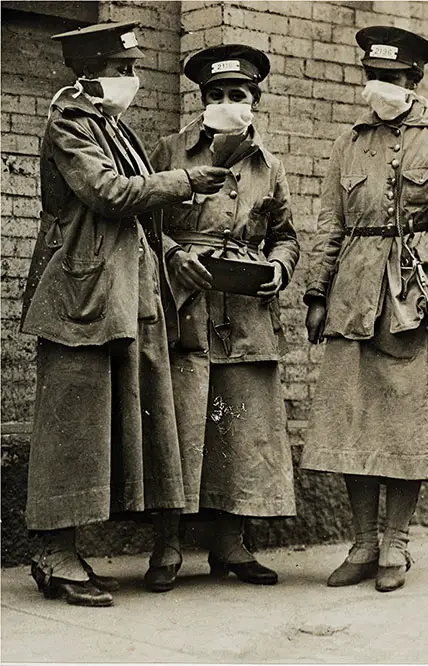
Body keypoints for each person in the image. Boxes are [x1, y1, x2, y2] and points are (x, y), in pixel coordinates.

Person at [20, 21, 229, 606]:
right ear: (89, 71)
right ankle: (54, 554)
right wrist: (182, 181)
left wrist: (171, 240)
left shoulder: (111, 126)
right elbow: (108, 194)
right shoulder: (70, 122)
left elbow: (136, 218)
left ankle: (68, 552)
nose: (131, 82)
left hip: (119, 296)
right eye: (122, 70)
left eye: (132, 70)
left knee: (99, 428)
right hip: (79, 298)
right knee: (71, 426)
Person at [302, 26, 428, 592]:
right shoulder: (347, 144)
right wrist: (315, 292)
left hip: (416, 296)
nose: (381, 87)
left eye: (394, 78)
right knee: (354, 418)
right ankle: (362, 542)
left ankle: (397, 545)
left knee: (408, 425)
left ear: (415, 81)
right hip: (354, 296)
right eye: (373, 76)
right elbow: (331, 222)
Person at [150, 44, 299, 587]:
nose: (227, 103)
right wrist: (172, 254)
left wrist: (279, 267)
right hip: (184, 304)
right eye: (216, 95)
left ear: (254, 102)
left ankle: (231, 546)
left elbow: (285, 236)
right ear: (202, 100)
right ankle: (166, 546)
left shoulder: (270, 166)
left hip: (246, 310)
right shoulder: (170, 150)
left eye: (238, 95)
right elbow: (143, 221)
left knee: (243, 429)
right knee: (179, 423)